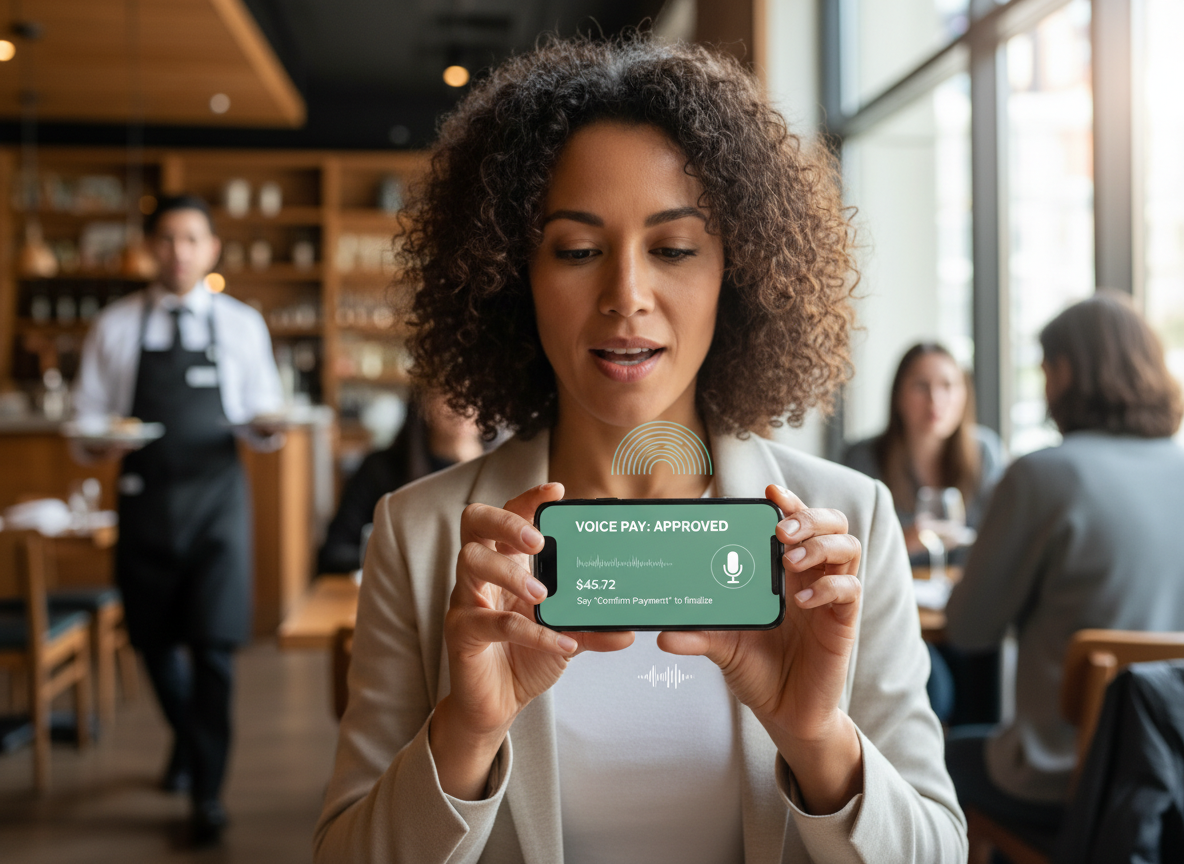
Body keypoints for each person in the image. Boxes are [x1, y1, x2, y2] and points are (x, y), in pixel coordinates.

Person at [315, 35, 965, 863]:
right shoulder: (424, 535)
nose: (626, 294)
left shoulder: (846, 527)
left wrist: (816, 739)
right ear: (516, 277)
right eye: (578, 250)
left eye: (674, 248)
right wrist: (465, 736)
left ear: (740, 270)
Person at [72, 194, 285, 845]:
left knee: (214, 653)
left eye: (192, 238)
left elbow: (265, 417)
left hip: (219, 505)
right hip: (145, 501)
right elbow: (85, 423)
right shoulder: (114, 326)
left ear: (212, 248)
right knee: (153, 645)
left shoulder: (243, 325)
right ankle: (192, 741)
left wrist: (270, 428)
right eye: (166, 239)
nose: (179, 251)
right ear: (149, 248)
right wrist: (99, 441)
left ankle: (207, 793)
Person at [944, 292, 1184, 836]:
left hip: (1062, 781)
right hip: (1171, 779)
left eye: (1047, 369)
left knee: (931, 760)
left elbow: (969, 628)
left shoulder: (1044, 476)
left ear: (1068, 370)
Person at [843, 342, 1007, 564]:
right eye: (921, 386)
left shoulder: (985, 452)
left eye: (947, 385)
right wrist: (902, 540)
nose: (935, 401)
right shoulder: (862, 458)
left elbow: (1003, 538)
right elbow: (848, 549)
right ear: (898, 395)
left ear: (965, 395)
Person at [316, 391, 484, 574]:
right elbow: (335, 552)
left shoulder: (499, 474)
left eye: (476, 391)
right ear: (424, 402)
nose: (466, 405)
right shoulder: (379, 469)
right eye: (450, 391)